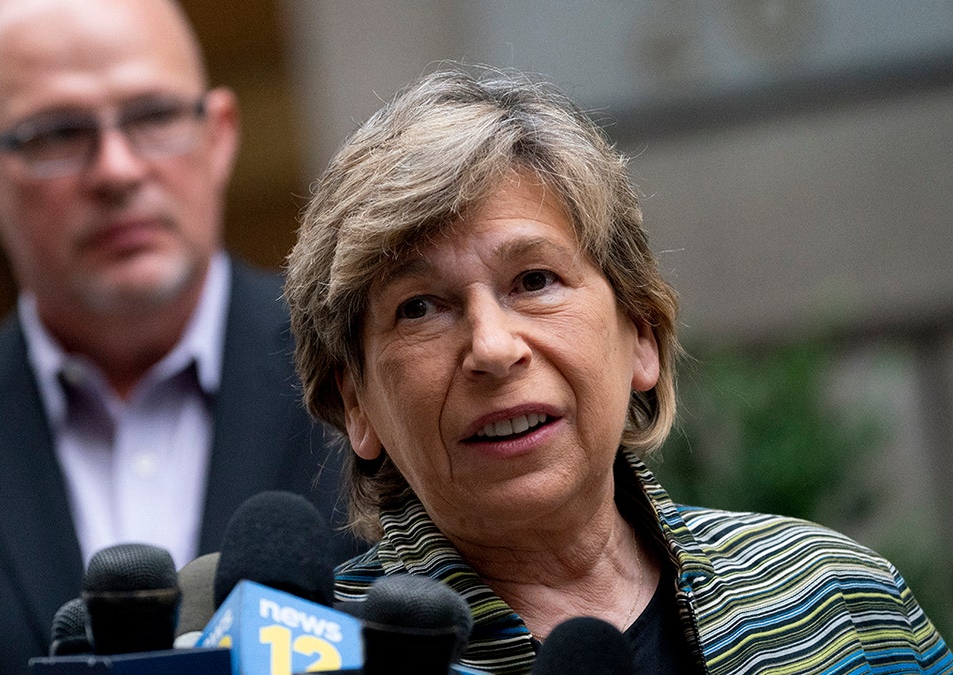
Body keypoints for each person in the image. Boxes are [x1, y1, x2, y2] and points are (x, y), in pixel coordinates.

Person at [283, 67, 952, 675]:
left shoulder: (839, 600)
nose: (492, 347)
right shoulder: (308, 655)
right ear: (356, 404)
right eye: (420, 307)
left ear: (642, 334)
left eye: (535, 279)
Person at [0, 0, 349, 672]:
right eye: (54, 134)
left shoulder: (367, 380)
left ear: (220, 135)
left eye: (154, 115)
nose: (116, 170)